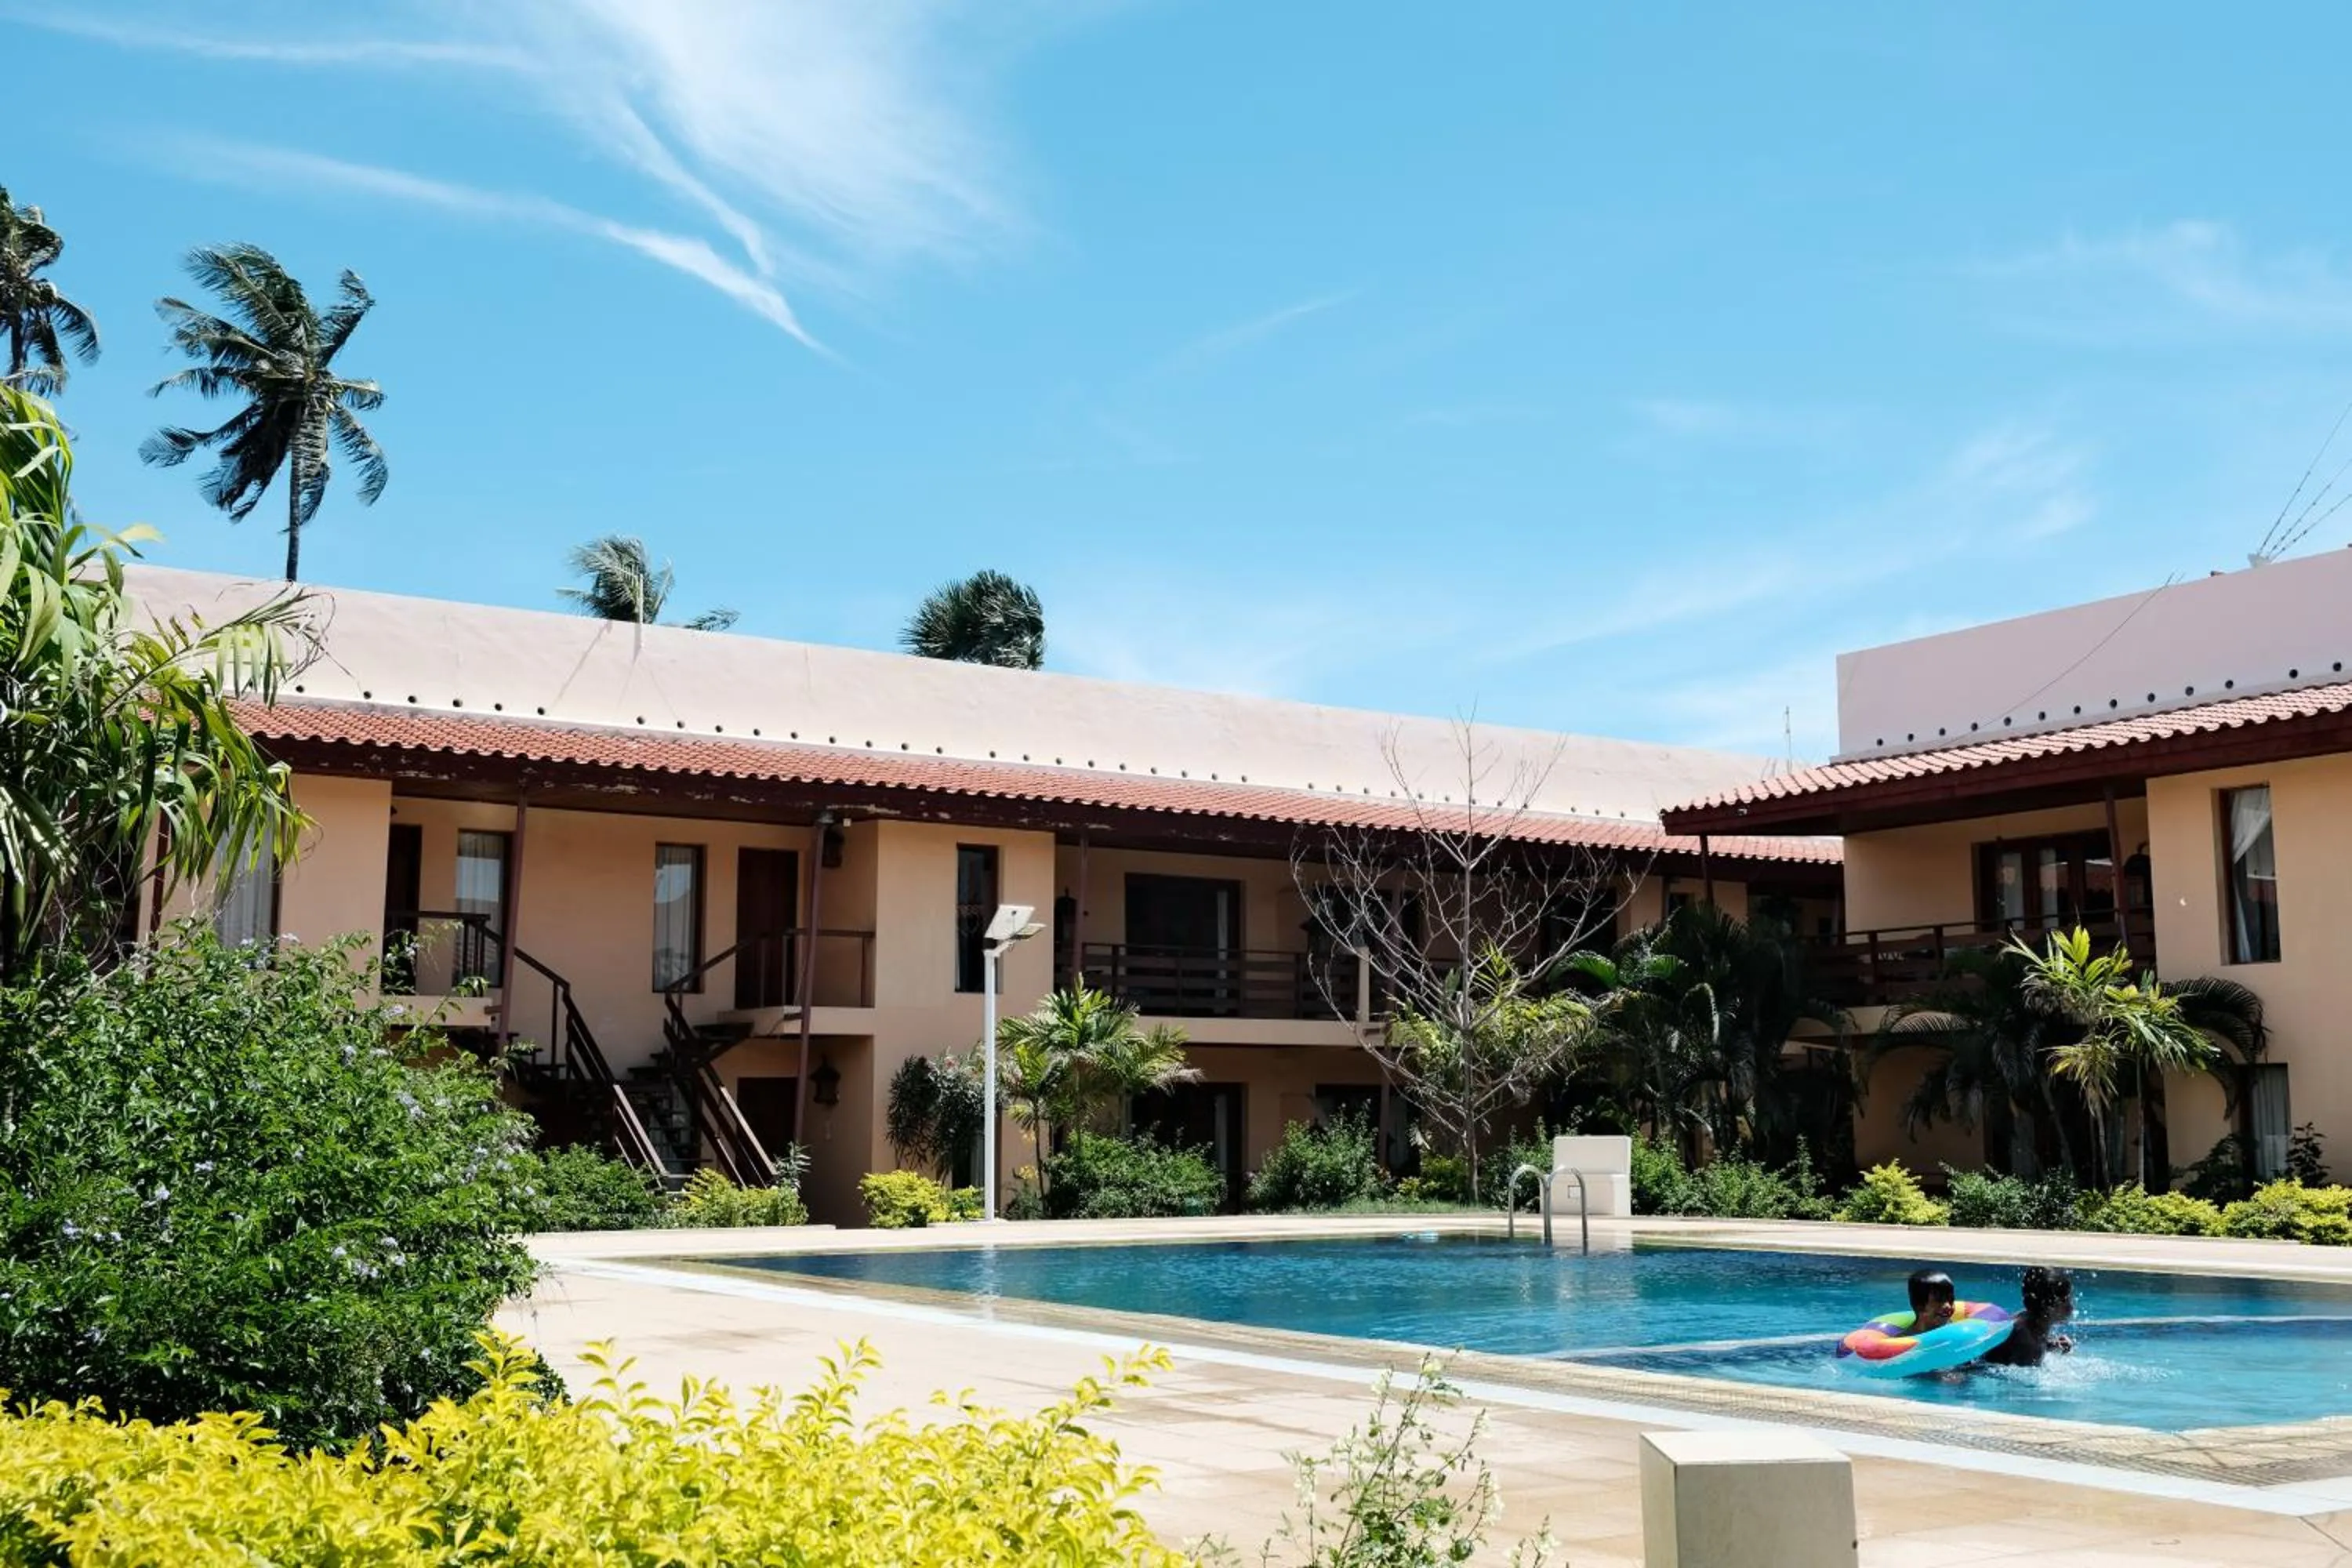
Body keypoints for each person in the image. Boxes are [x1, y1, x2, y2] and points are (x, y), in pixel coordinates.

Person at [1980, 1266, 2075, 1367]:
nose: (2071, 1306)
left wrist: (2050, 1345)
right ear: (2050, 1307)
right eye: (2067, 1300)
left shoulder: (2026, 1318)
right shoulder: (2028, 1345)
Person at [1906, 1269, 1957, 1334]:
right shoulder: (1907, 1338)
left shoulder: (1953, 1326)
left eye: (1951, 1299)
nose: (1948, 1306)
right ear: (1920, 1306)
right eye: (1939, 1300)